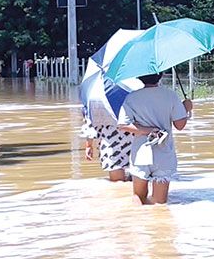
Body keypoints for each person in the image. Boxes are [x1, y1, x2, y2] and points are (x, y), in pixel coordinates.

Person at [117, 72, 192, 205]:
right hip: (163, 152)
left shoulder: (132, 97)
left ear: (139, 77)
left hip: (141, 151)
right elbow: (180, 125)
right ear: (161, 75)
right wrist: (186, 108)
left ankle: (137, 222)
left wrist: (148, 130)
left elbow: (123, 125)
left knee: (138, 197)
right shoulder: (170, 95)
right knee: (160, 202)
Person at [81, 100, 133, 182]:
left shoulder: (95, 98)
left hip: (110, 139)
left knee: (117, 181)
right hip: (135, 135)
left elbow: (91, 122)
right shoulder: (133, 93)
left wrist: (89, 145)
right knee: (138, 177)